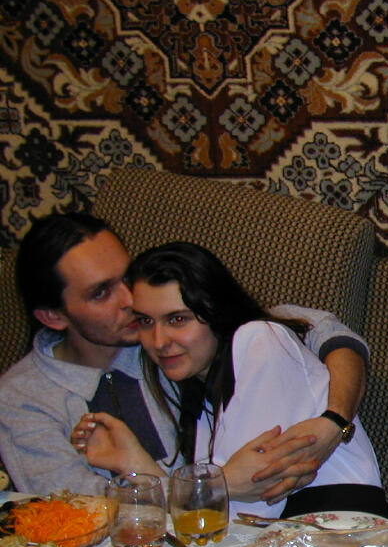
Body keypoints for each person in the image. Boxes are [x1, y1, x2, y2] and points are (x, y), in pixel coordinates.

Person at [0, 213, 368, 505]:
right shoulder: (23, 399)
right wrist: (219, 485)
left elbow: (317, 330)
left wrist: (335, 420)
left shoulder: (183, 342)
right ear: (54, 316)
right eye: (101, 293)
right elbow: (69, 508)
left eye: (126, 277)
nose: (130, 300)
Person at [74, 241, 385, 518]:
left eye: (177, 319)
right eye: (145, 321)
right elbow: (220, 501)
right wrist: (135, 462)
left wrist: (221, 484)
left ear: (215, 311)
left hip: (341, 533)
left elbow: (245, 504)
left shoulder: (261, 340)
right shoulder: (204, 400)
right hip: (289, 541)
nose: (158, 341)